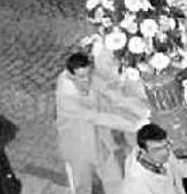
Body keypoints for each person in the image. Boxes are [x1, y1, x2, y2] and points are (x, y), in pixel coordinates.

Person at [56, 52, 148, 194]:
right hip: (77, 147)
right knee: (82, 186)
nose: (87, 80)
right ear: (70, 75)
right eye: (81, 77)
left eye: (89, 75)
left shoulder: (89, 76)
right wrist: (134, 125)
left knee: (115, 181)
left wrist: (142, 112)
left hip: (100, 140)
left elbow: (113, 94)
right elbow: (98, 117)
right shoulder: (67, 98)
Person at [120, 124, 187, 194]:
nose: (165, 152)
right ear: (143, 151)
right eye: (157, 149)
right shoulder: (137, 187)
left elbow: (178, 167)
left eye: (166, 145)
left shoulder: (162, 154)